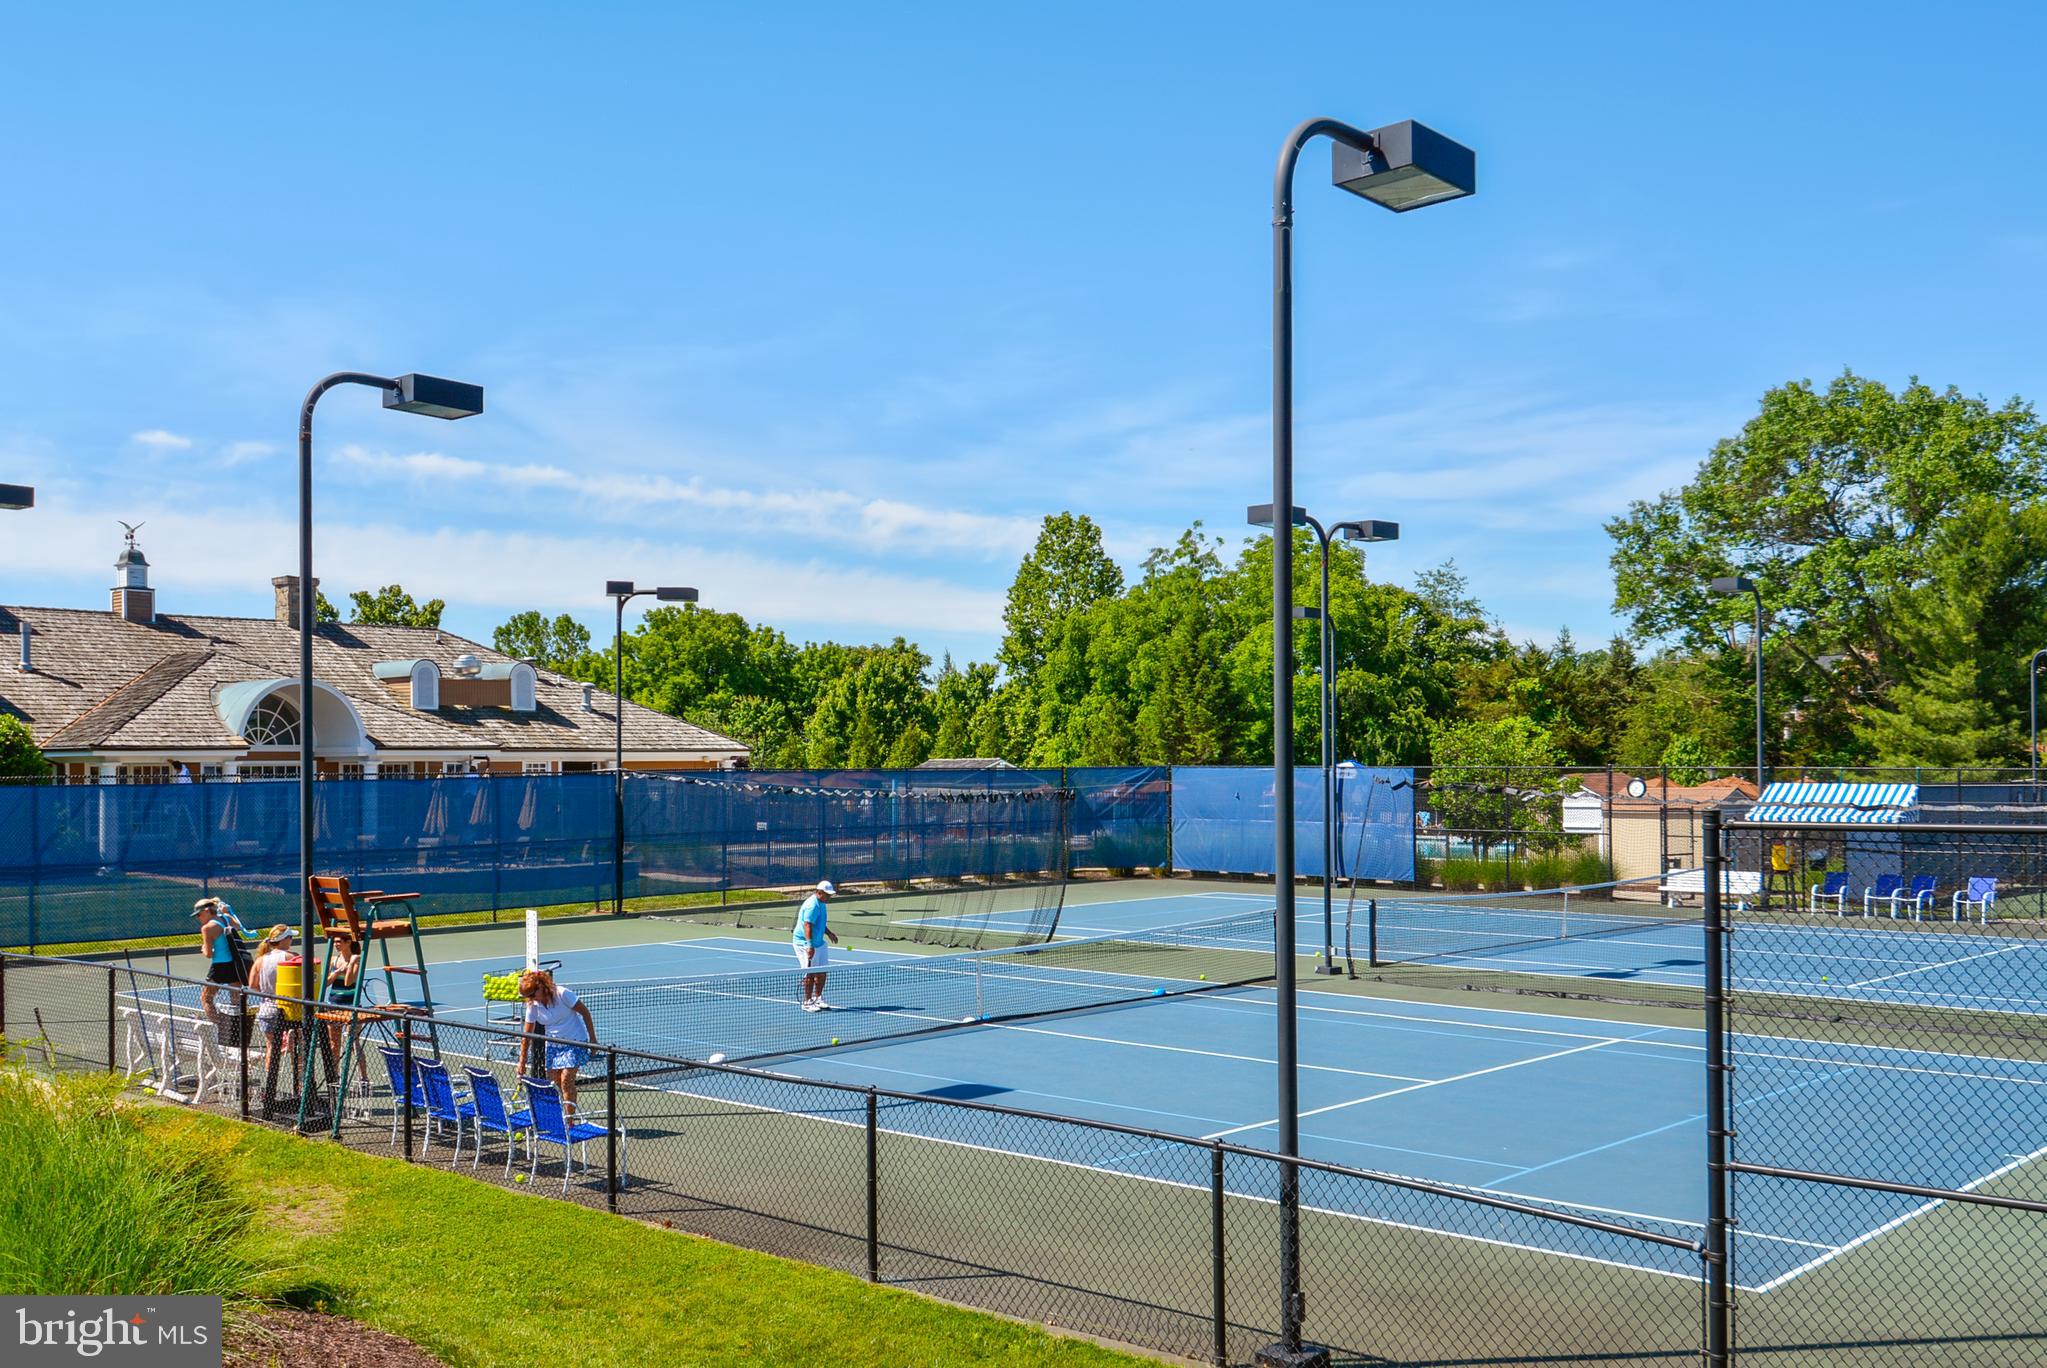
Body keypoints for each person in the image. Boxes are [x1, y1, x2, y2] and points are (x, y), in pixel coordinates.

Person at [515, 969, 598, 1113]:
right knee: (554, 1083)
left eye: (532, 994)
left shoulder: (562, 993)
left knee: (566, 1080)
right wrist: (521, 1062)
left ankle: (569, 1120)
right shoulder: (533, 1005)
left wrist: (593, 1040)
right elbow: (526, 1035)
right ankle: (559, 1115)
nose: (531, 999)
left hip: (575, 1042)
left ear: (541, 987)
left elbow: (585, 1013)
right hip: (553, 1045)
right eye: (528, 997)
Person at [246, 925, 297, 1080]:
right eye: (290, 937)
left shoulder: (260, 960)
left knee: (271, 1047)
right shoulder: (292, 957)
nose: (292, 940)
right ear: (285, 939)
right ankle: (301, 1084)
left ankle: (270, 1084)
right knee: (298, 1048)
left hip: (267, 1009)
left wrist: (268, 991)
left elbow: (252, 985)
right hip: (289, 1010)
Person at [192, 897, 252, 1026]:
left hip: (219, 967)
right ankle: (238, 1029)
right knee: (237, 1000)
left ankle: (219, 1026)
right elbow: (237, 926)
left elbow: (208, 954)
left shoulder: (207, 928)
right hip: (235, 964)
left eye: (199, 914)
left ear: (207, 911)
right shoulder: (226, 918)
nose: (198, 918)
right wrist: (226, 913)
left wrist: (203, 949)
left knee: (206, 998)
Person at [793, 879, 839, 1012]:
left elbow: (819, 923)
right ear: (819, 892)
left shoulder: (822, 903)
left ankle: (818, 998)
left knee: (822, 971)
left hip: (819, 942)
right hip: (804, 943)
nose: (829, 897)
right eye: (827, 894)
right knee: (810, 974)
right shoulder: (812, 905)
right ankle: (807, 1002)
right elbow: (807, 925)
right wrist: (810, 946)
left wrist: (829, 933)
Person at [321, 932, 362, 1059]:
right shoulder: (333, 960)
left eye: (338, 941)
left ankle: (362, 1072)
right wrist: (337, 972)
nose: (335, 944)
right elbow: (325, 983)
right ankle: (335, 1071)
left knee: (354, 1044)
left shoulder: (356, 959)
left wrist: (350, 964)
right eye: (334, 942)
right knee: (334, 1044)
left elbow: (348, 982)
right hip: (334, 1005)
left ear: (348, 942)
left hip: (351, 1006)